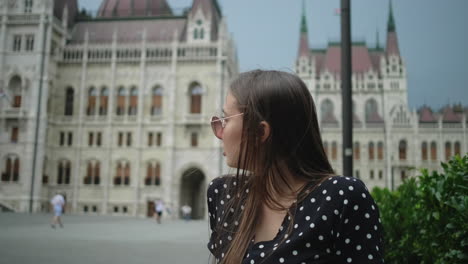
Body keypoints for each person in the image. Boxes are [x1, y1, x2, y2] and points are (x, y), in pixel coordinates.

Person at [207, 70, 384, 264]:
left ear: (260, 132)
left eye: (225, 119)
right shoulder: (224, 194)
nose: (219, 132)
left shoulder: (341, 198)